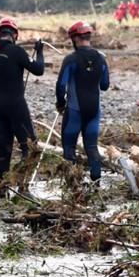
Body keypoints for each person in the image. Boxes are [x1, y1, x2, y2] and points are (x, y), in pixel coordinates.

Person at [0, 18, 44, 195]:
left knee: (3, 151)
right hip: (16, 106)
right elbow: (39, 69)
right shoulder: (17, 51)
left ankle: (3, 191)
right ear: (14, 35)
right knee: (30, 147)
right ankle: (23, 187)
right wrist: (39, 52)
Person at [56, 21, 110, 182]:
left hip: (74, 110)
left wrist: (60, 103)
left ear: (75, 39)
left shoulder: (71, 59)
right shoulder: (101, 58)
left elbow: (61, 85)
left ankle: (72, 186)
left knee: (69, 148)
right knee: (92, 148)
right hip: (93, 109)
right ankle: (97, 186)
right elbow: (105, 85)